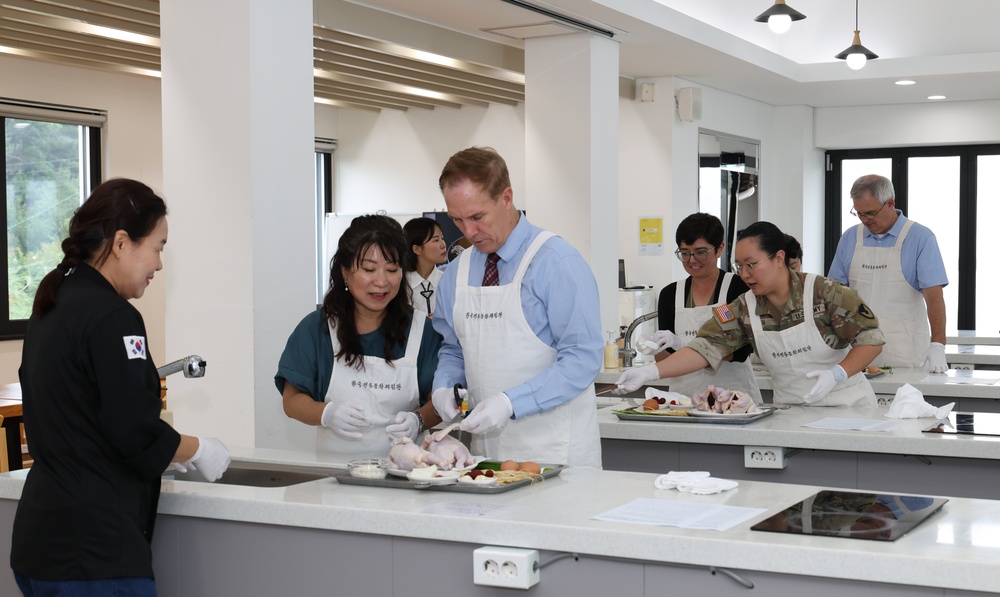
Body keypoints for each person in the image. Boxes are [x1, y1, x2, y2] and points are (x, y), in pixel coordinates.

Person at [12, 178, 231, 595]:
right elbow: (133, 428)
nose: (160, 265)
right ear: (121, 243)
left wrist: (164, 452)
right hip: (93, 551)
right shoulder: (113, 317)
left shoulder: (54, 303)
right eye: (159, 247)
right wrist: (197, 448)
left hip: (41, 544)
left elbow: (86, 415)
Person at [430, 146, 603, 468]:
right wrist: (444, 385)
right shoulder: (457, 273)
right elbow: (453, 347)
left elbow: (583, 356)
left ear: (506, 198)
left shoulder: (557, 262)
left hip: (556, 451)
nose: (468, 232)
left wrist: (511, 402)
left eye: (477, 217)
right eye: (457, 220)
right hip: (486, 454)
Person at [615, 221, 885, 407]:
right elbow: (705, 347)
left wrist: (837, 373)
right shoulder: (744, 307)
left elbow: (870, 338)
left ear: (779, 258)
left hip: (847, 408)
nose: (744, 274)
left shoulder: (825, 292)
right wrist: (650, 372)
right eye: (739, 266)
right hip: (791, 411)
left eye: (752, 265)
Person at [276, 214, 444, 461]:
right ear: (345, 271)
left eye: (392, 269)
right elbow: (292, 400)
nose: (381, 281)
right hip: (333, 480)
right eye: (368, 269)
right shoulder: (318, 328)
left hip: (404, 480)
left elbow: (439, 401)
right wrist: (326, 413)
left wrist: (418, 420)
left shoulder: (422, 330)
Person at [828, 174, 949, 372]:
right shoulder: (850, 237)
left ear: (890, 203)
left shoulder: (920, 238)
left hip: (905, 354)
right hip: (857, 354)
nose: (865, 220)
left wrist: (938, 344)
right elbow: (835, 294)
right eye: (858, 213)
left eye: (870, 213)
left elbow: (934, 297)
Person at [642, 213, 761, 402]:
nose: (692, 260)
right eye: (685, 253)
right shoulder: (670, 294)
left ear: (720, 248)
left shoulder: (738, 288)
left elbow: (741, 351)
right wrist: (655, 348)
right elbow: (664, 361)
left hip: (734, 399)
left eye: (700, 252)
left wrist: (686, 346)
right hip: (684, 400)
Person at [403, 217, 448, 316]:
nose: (443, 245)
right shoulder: (401, 284)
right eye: (436, 240)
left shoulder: (448, 281)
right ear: (417, 249)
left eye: (442, 238)